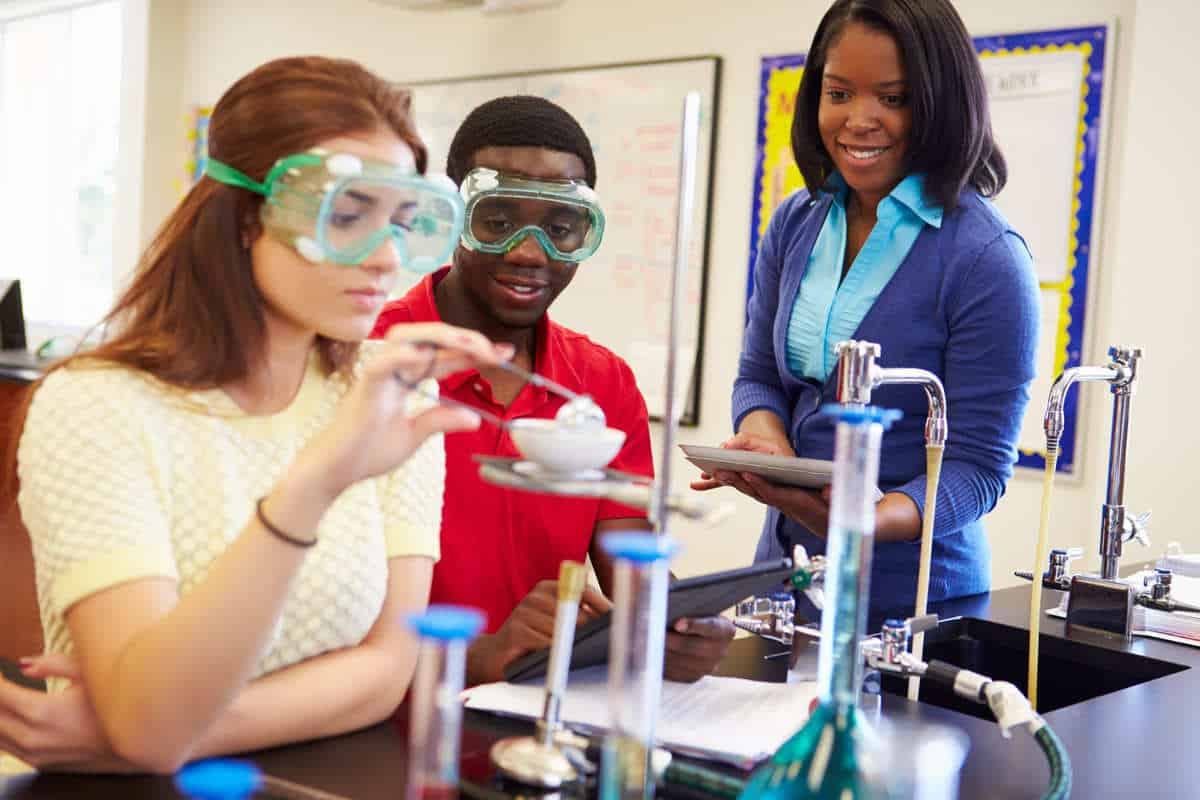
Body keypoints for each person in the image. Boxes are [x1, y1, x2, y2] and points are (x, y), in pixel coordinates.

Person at [0, 55, 509, 774]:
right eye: (347, 214)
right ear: (246, 218)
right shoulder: (98, 406)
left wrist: (140, 734)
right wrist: (316, 483)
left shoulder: (392, 393)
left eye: (401, 220)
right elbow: (150, 724)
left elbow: (389, 668)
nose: (385, 257)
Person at [692, 0, 1039, 618]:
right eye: (839, 93)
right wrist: (768, 447)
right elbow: (760, 378)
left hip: (917, 600)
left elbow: (977, 468)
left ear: (941, 104)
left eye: (894, 99)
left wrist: (868, 520)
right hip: (785, 575)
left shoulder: (986, 258)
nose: (859, 120)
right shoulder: (796, 223)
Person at [371, 95, 735, 685]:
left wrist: (679, 625)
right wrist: (480, 655)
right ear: (454, 215)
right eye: (497, 221)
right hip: (381, 731)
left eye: (561, 229)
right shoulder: (372, 356)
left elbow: (631, 570)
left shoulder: (603, 383)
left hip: (542, 728)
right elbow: (317, 602)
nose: (527, 252)